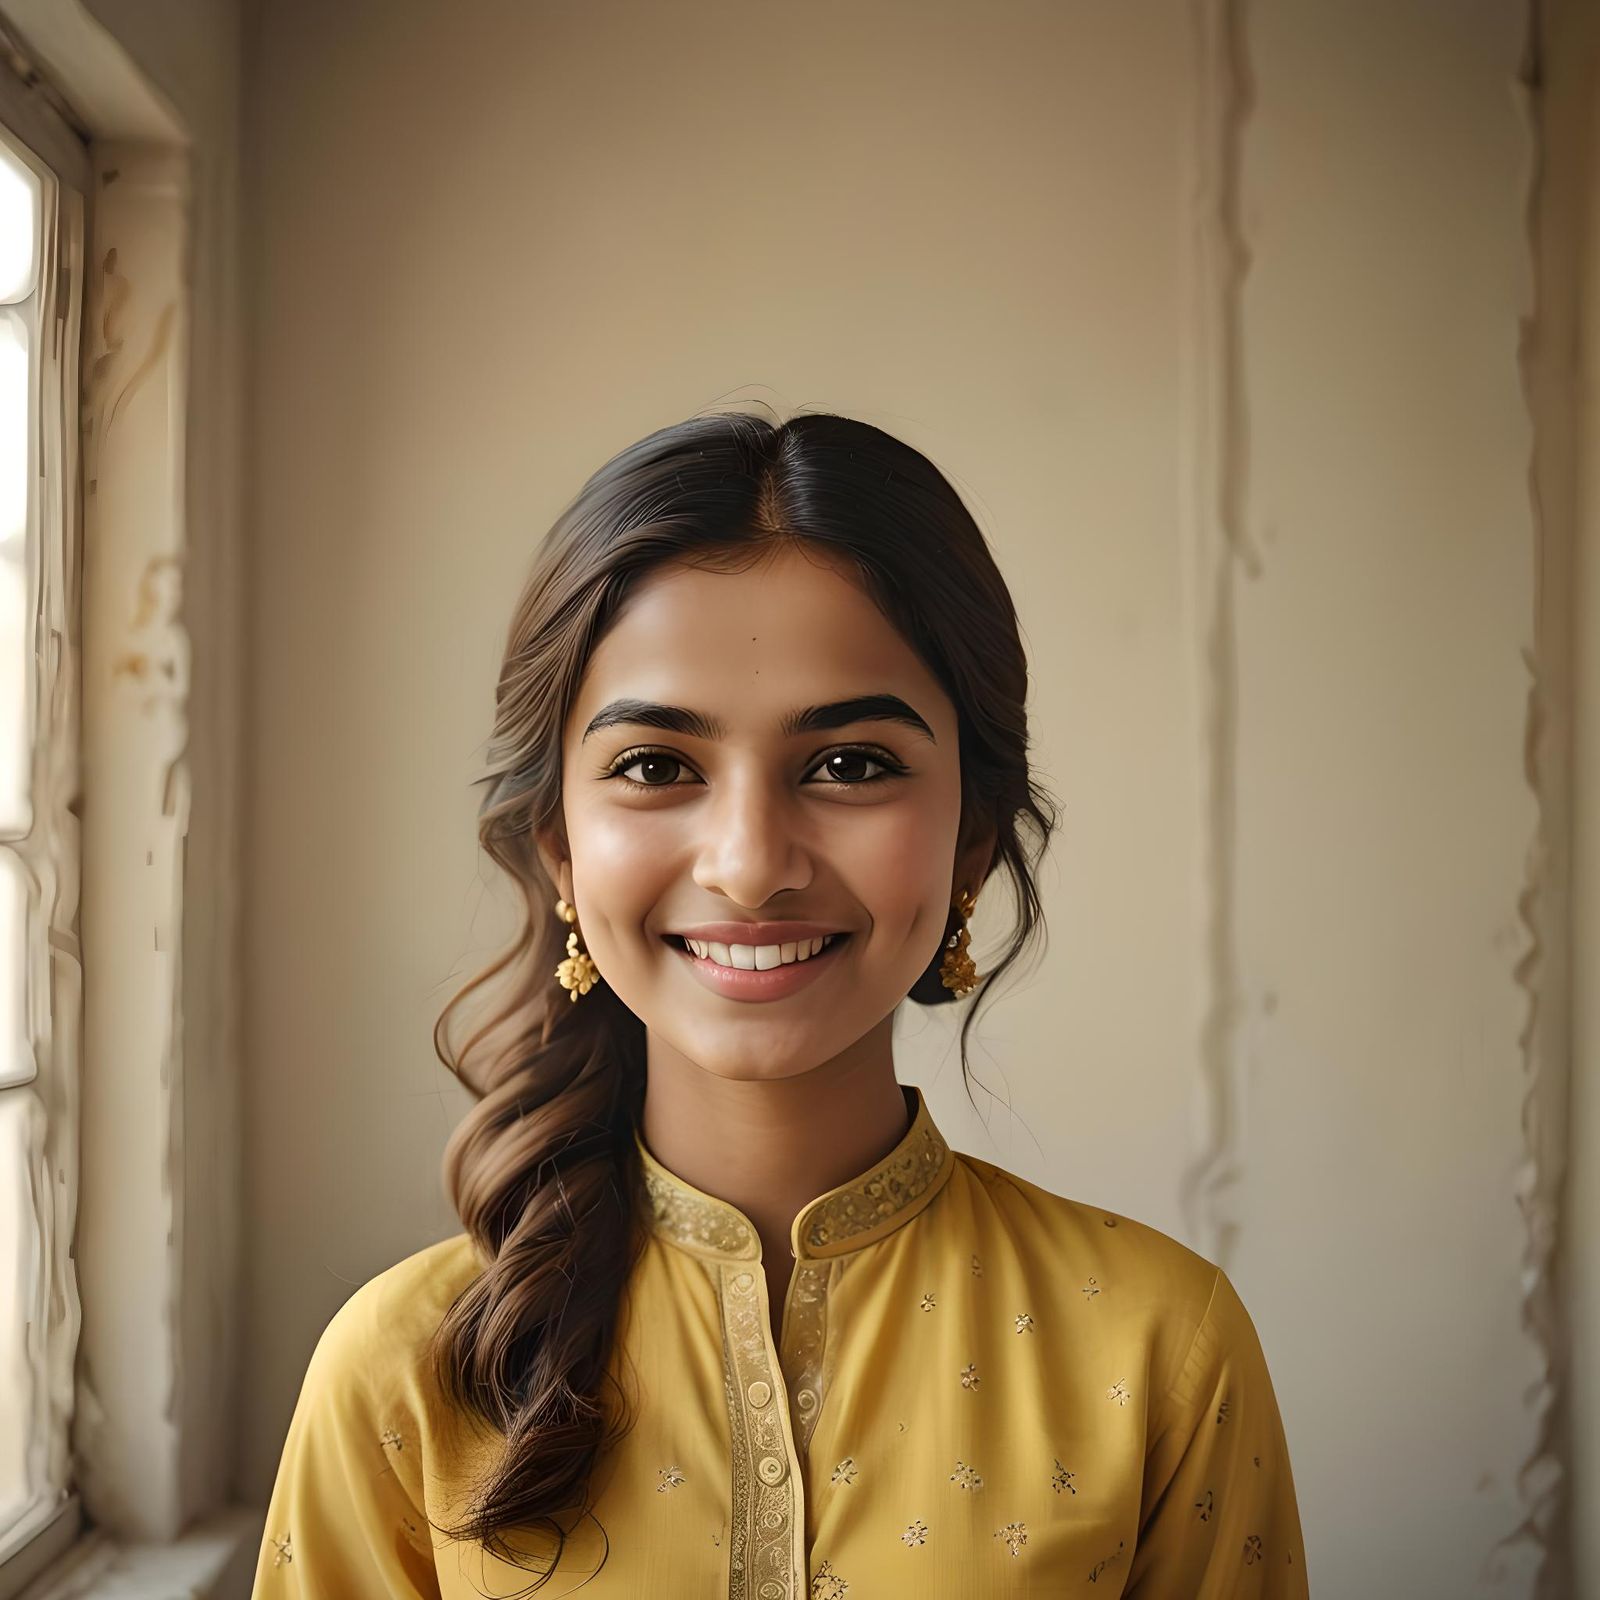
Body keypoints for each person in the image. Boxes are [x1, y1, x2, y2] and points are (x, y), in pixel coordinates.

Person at [252, 406, 1310, 1597]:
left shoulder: (1159, 1352)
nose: (750, 862)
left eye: (850, 763)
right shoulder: (399, 1376)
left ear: (971, 839)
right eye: (656, 766)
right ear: (558, 844)